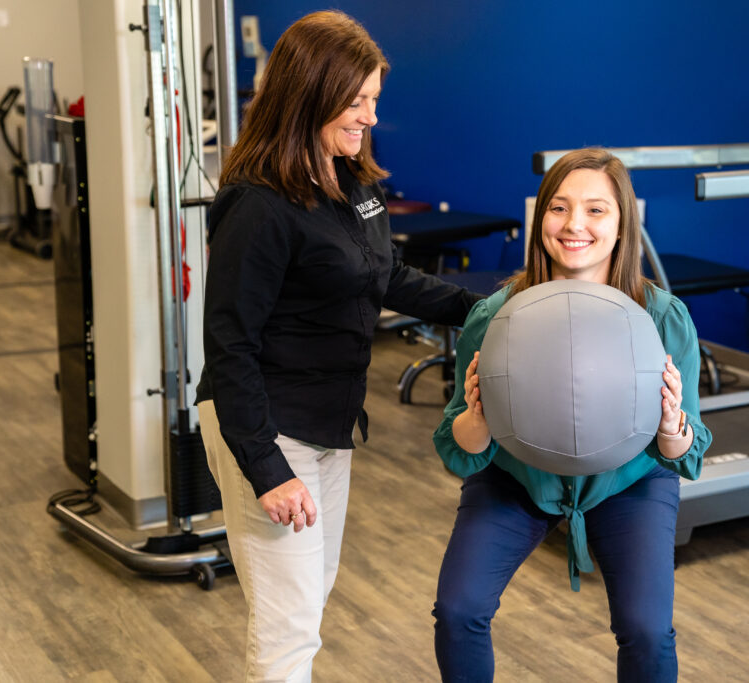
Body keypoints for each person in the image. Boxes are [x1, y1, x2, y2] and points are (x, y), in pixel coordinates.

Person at [195, 11, 482, 682]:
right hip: (268, 424)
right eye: (357, 102)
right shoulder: (259, 205)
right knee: (289, 627)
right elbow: (228, 344)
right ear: (310, 94)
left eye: (374, 102)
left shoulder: (351, 179)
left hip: (329, 423)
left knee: (306, 602)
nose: (369, 118)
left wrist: (485, 307)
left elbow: (386, 277)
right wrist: (266, 468)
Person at [431, 148, 712, 682]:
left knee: (648, 630)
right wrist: (477, 420)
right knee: (459, 611)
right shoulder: (494, 317)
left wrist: (672, 426)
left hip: (629, 483)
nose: (574, 225)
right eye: (558, 208)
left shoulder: (664, 318)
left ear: (624, 222)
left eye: (596, 210)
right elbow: (456, 446)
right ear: (541, 219)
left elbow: (687, 452)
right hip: (516, 478)